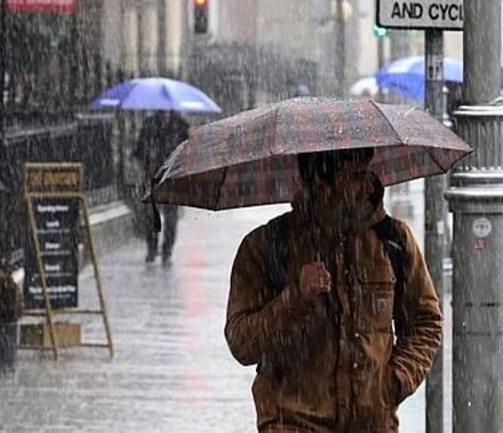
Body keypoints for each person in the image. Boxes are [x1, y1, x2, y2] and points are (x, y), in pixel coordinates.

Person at [224, 148, 442, 432]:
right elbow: (241, 342)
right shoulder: (266, 246)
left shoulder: (393, 240)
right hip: (292, 423)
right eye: (354, 177)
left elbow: (426, 321)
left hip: (372, 424)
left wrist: (394, 381)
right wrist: (295, 299)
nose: (367, 185)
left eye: (366, 173)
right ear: (319, 184)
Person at [133, 110, 190, 264]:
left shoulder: (180, 125)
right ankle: (152, 249)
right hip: (152, 177)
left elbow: (188, 150)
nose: (164, 112)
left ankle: (167, 251)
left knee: (171, 218)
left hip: (172, 177)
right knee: (151, 216)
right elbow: (138, 151)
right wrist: (148, 156)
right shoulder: (149, 125)